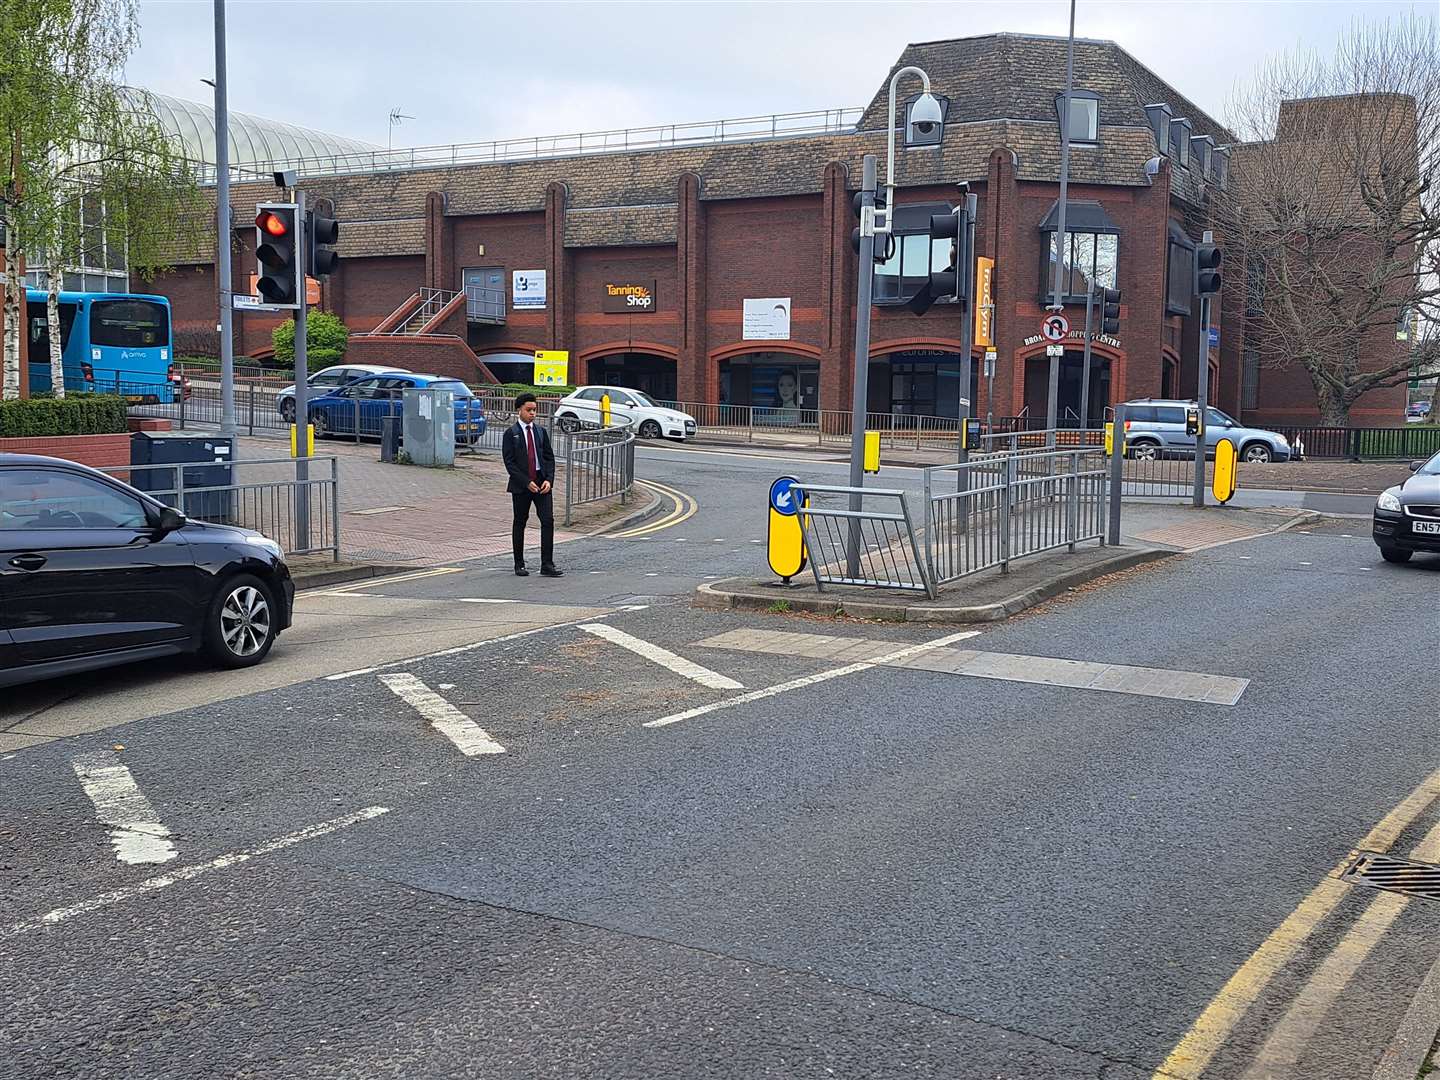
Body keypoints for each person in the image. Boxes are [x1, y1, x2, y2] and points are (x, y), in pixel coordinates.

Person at [501, 393, 563, 577]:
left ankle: (547, 564)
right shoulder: (511, 434)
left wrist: (548, 480)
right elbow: (509, 463)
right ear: (519, 410)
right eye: (529, 410)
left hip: (541, 483)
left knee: (548, 520)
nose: (532, 414)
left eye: (534, 410)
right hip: (522, 485)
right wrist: (526, 482)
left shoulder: (540, 432)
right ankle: (519, 564)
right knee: (520, 522)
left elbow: (549, 458)